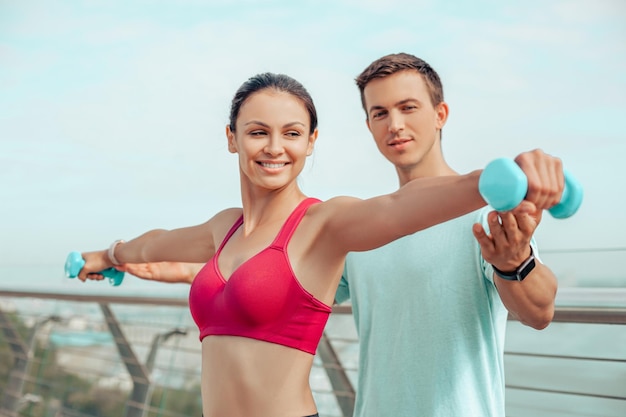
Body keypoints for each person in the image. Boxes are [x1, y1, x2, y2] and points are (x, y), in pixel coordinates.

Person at [78, 71, 563, 417]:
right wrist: (110, 256)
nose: (273, 147)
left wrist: (501, 178)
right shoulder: (225, 228)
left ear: (311, 142)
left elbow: (399, 210)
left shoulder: (332, 224)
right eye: (257, 132)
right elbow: (162, 244)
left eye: (291, 133)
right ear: (232, 138)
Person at [332, 53, 560, 417]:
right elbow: (300, 293)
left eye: (408, 107)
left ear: (440, 115)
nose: (395, 124)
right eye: (380, 113)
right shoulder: (360, 228)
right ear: (369, 125)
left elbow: (539, 311)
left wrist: (515, 264)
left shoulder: (484, 211)